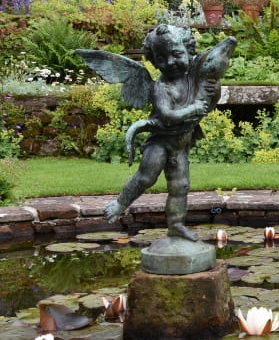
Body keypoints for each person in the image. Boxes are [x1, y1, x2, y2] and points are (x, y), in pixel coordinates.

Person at [80, 25, 236, 241]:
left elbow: (208, 105)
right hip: (160, 141)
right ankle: (121, 203)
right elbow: (167, 114)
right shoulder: (160, 87)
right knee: (146, 176)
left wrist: (213, 91)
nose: (170, 62)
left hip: (182, 141)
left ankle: (176, 226)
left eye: (177, 54)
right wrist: (193, 109)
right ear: (153, 61)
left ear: (189, 51)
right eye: (161, 58)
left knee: (180, 186)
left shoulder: (194, 78)